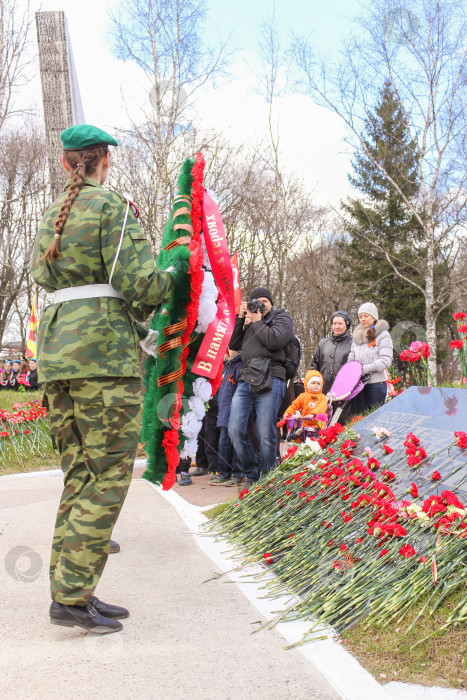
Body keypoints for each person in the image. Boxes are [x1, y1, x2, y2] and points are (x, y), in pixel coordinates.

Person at [29, 124, 173, 635]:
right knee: (107, 477)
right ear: (101, 161)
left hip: (58, 358)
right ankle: (71, 595)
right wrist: (179, 275)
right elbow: (141, 285)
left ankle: (70, 591)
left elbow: (45, 279)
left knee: (80, 476)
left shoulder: (53, 215)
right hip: (102, 362)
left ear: (68, 163)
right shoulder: (110, 207)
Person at [228, 287, 294, 483]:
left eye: (264, 301)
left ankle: (267, 478)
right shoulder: (251, 322)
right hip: (247, 377)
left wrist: (257, 322)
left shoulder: (282, 317)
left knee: (265, 432)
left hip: (272, 376)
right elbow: (233, 346)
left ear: (271, 303)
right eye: (256, 301)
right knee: (235, 430)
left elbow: (275, 340)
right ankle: (252, 473)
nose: (260, 304)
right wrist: (241, 319)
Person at [348, 302, 393, 413]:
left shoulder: (383, 335)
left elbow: (385, 361)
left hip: (376, 385)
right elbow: (351, 357)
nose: (363, 319)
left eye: (366, 316)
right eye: (360, 316)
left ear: (374, 317)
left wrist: (364, 369)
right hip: (358, 385)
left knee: (375, 420)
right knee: (359, 420)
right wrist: (350, 369)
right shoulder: (356, 337)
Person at [209, 349, 244, 486]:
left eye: (230, 349)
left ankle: (238, 473)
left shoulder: (240, 366)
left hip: (235, 412)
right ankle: (223, 473)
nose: (226, 352)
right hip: (223, 412)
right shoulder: (225, 368)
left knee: (236, 443)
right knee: (223, 443)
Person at [310, 310, 353, 395]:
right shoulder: (323, 343)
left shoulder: (353, 344)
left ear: (346, 325)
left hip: (344, 393)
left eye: (340, 323)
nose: (337, 326)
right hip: (323, 393)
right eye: (334, 323)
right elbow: (314, 367)